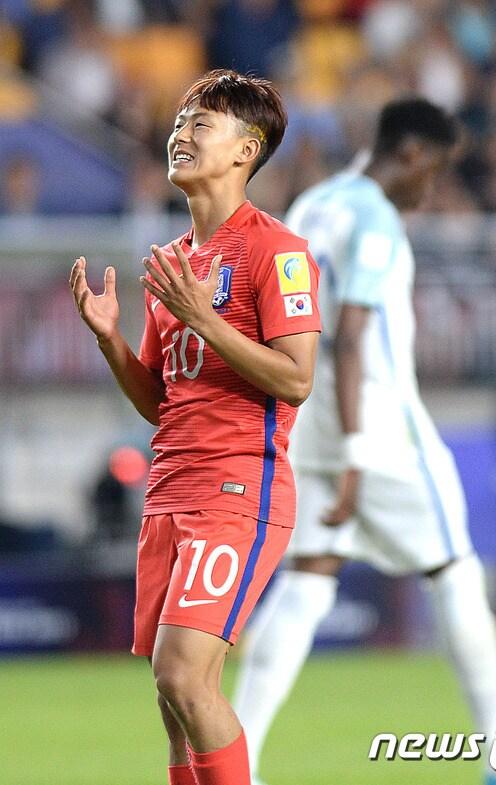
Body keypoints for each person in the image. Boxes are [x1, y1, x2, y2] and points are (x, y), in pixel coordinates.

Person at [233, 98, 496, 785]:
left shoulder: (314, 205)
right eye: (432, 172)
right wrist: (358, 451)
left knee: (307, 581)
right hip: (379, 429)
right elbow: (353, 335)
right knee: (455, 572)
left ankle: (239, 764)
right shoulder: (376, 219)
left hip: (306, 418)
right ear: (410, 154)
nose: (430, 190)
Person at [69, 69, 321, 785]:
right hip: (169, 491)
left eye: (201, 122)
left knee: (183, 674)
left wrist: (205, 319)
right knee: (173, 699)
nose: (181, 133)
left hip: (239, 487)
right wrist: (111, 341)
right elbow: (161, 402)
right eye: (180, 120)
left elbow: (296, 378)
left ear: (247, 149)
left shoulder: (277, 251)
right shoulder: (175, 264)